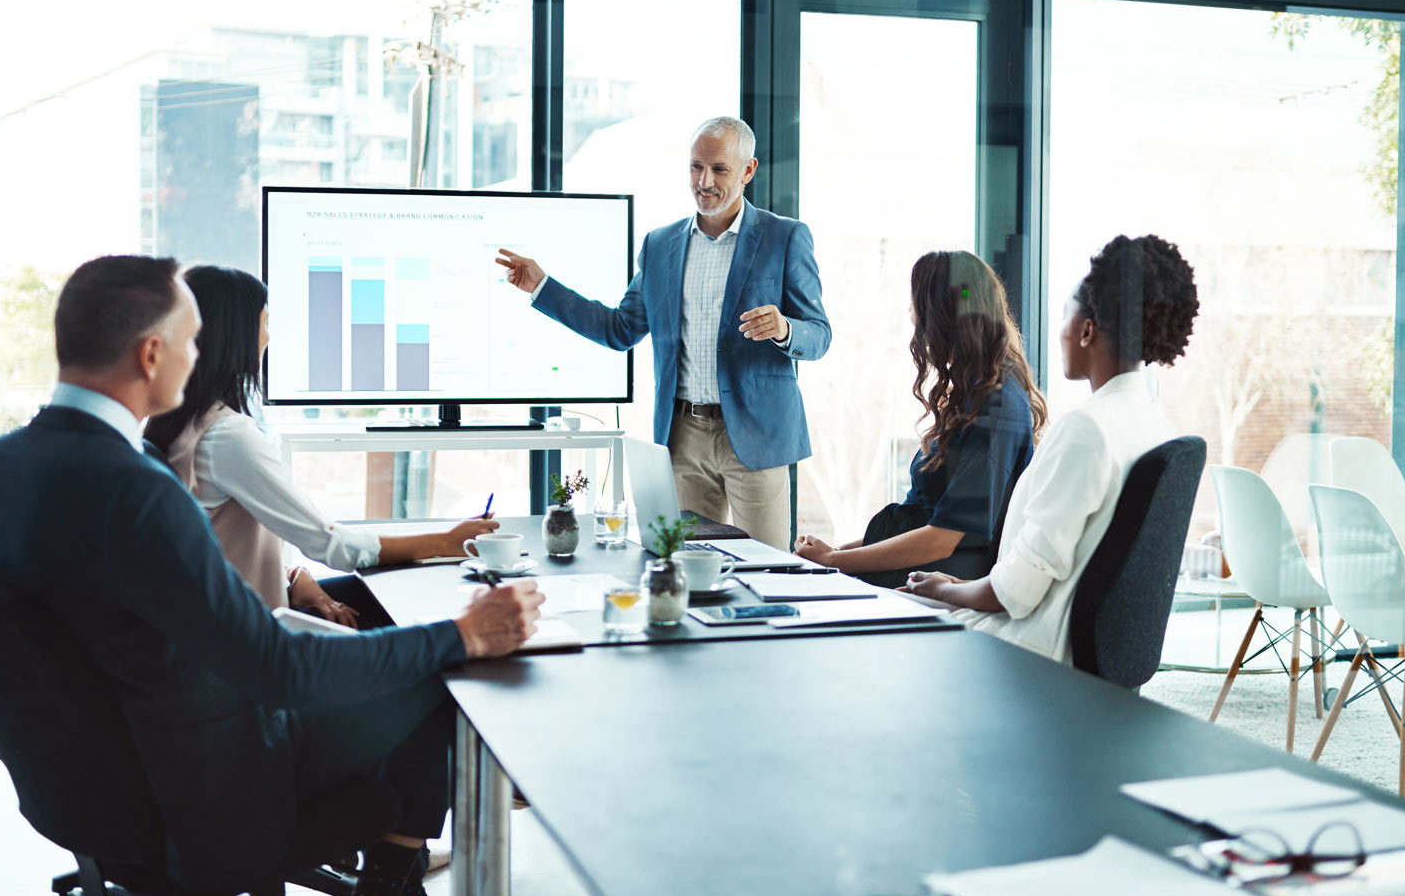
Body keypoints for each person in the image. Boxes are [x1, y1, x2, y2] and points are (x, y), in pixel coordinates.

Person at [0, 255, 544, 896]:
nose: (200, 359)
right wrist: (461, 634)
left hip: (87, 785)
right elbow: (276, 669)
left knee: (385, 666)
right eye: (191, 343)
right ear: (152, 353)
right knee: (434, 685)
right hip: (209, 785)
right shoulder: (139, 492)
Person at [495, 115, 830, 549]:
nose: (704, 181)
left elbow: (818, 334)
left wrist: (785, 328)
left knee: (765, 569)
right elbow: (619, 329)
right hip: (682, 437)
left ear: (748, 170)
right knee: (686, 567)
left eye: (720, 170)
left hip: (757, 436)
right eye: (696, 166)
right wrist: (542, 286)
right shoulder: (660, 245)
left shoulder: (785, 238)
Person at [143, 264, 498, 630]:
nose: (269, 338)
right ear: (237, 335)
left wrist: (294, 576)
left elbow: (217, 546)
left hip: (223, 619)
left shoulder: (178, 423)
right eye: (265, 325)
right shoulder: (228, 437)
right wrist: (446, 541)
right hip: (254, 638)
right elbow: (332, 545)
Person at [904, 235, 1199, 661]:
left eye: (1064, 316)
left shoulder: (1088, 429)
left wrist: (947, 589)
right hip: (1072, 647)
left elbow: (1015, 593)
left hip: (1027, 648)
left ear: (1086, 330)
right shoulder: (1157, 426)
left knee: (870, 621)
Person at [793, 251, 1045, 587]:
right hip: (921, 569)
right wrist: (833, 553)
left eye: (917, 307)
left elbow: (942, 538)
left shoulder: (996, 407)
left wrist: (835, 561)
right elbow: (924, 521)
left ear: (941, 318)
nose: (911, 315)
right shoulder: (975, 394)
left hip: (936, 580)